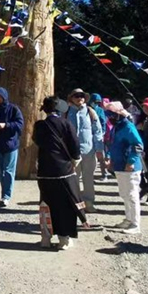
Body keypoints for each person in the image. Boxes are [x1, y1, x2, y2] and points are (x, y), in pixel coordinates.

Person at [33, 96, 88, 250]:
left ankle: (45, 237)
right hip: (63, 170)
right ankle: (64, 239)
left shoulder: (39, 125)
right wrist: (75, 159)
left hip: (44, 170)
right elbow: (75, 145)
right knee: (64, 205)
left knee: (46, 204)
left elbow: (36, 141)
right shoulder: (65, 123)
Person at [105, 101, 144, 234]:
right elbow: (113, 143)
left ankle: (135, 224)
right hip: (119, 165)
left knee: (132, 194)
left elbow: (138, 145)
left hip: (129, 167)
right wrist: (110, 157)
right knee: (124, 194)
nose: (108, 117)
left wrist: (131, 161)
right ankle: (128, 219)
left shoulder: (128, 126)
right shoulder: (117, 126)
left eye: (110, 114)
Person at [0, 88, 24, 207]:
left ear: (5, 97)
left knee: (8, 171)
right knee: (1, 172)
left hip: (11, 145)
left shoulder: (13, 109)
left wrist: (5, 125)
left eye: (0, 97)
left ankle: (6, 196)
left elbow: (20, 124)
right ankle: (3, 194)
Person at [66, 89, 102, 213]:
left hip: (89, 151)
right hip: (72, 152)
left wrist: (99, 149)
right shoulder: (66, 113)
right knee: (73, 178)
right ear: (71, 98)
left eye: (81, 96)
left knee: (88, 178)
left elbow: (97, 131)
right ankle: (75, 204)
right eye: (76, 96)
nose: (79, 98)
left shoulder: (91, 112)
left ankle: (89, 203)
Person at [135, 97, 148, 204]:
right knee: (140, 173)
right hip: (140, 150)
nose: (146, 108)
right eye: (144, 106)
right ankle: (145, 188)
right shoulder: (139, 118)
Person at [90, 93, 109, 179]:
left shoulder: (100, 110)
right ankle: (90, 175)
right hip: (89, 134)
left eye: (98, 102)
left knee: (101, 155)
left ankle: (104, 174)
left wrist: (103, 132)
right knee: (90, 156)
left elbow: (103, 122)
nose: (96, 103)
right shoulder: (87, 109)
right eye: (95, 102)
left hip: (98, 134)